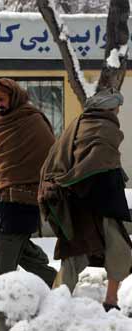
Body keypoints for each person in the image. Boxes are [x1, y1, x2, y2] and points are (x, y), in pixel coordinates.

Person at [39, 87, 132, 312]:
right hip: (97, 200)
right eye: (117, 107)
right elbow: (95, 162)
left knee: (76, 252)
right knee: (118, 250)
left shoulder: (79, 122)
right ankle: (108, 301)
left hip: (77, 198)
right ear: (109, 108)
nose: (118, 111)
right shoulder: (106, 126)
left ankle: (60, 302)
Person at [0, 78, 57, 288]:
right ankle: (52, 280)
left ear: (14, 98)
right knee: (7, 242)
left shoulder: (31, 120)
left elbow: (49, 155)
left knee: (7, 246)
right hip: (5, 195)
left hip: (26, 196)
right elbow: (1, 159)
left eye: (2, 99)